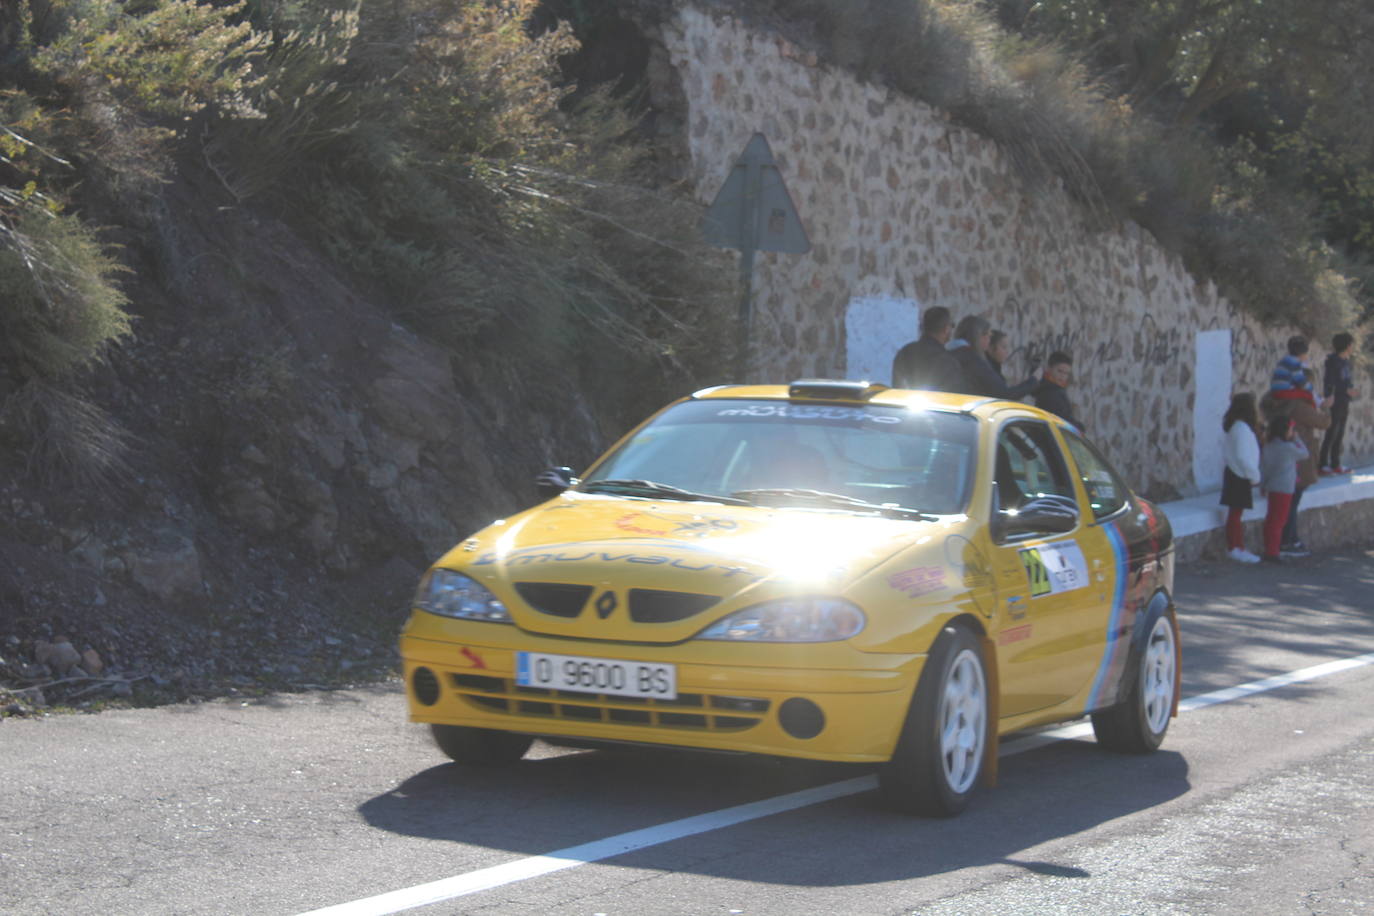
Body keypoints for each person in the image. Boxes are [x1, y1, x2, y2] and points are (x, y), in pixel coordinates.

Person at [1261, 336, 1331, 557]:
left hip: (1280, 462)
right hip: (1298, 459)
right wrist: (1326, 407)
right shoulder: (1297, 406)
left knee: (1286, 504)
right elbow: (1323, 422)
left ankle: (1287, 540)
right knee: (1292, 503)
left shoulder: (1275, 402)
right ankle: (1289, 541)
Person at [1219, 392, 1262, 563]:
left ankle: (1237, 546)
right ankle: (1235, 547)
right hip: (1240, 474)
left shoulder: (1237, 427)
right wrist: (1254, 475)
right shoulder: (1241, 429)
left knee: (1236, 513)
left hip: (1236, 472)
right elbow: (1243, 456)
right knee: (1235, 514)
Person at [1259, 414, 1308, 564]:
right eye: (1291, 430)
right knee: (1279, 520)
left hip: (1273, 487)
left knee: (1272, 519)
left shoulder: (1269, 446)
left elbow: (1264, 468)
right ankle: (1273, 552)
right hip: (1285, 488)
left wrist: (1263, 485)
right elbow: (1305, 453)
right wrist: (1297, 439)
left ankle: (1271, 549)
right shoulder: (1288, 447)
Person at [949, 321, 1038, 399]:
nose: (1007, 352)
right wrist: (1033, 381)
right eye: (1003, 347)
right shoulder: (976, 362)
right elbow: (1004, 394)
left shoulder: (960, 355)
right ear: (990, 348)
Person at [891, 306, 965, 392]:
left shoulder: (904, 353)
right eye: (952, 326)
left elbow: (897, 389)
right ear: (946, 329)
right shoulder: (948, 362)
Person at [1319, 331, 1357, 475]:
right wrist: (1343, 391)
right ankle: (1322, 464)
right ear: (1347, 345)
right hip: (1336, 402)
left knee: (1339, 433)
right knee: (1331, 432)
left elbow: (1346, 381)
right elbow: (1330, 383)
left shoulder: (1346, 363)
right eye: (1351, 344)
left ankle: (1336, 464)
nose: (1352, 347)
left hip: (1344, 402)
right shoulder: (1333, 362)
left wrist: (1350, 390)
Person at [1032, 351, 1084, 428]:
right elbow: (1062, 420)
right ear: (1049, 369)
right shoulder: (1050, 392)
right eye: (1059, 371)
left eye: (1066, 373)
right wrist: (1080, 427)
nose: (1062, 376)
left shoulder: (1055, 388)